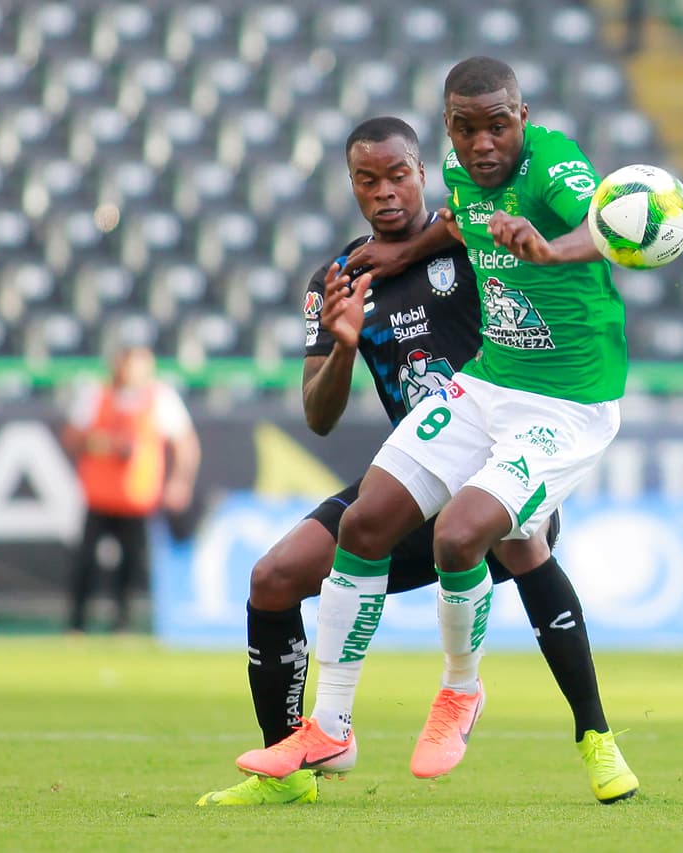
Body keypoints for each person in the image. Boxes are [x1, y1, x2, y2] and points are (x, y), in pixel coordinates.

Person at [198, 116, 634, 806]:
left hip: (505, 449)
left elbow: (517, 234)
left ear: (423, 172)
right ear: (351, 185)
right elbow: (318, 413)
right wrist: (343, 346)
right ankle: (296, 766)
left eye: (398, 175)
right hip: (419, 463)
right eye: (367, 180)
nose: (385, 193)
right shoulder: (337, 279)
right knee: (273, 576)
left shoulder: (468, 238)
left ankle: (596, 737)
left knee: (521, 539)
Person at [62, 346, 200, 633]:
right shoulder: (96, 395)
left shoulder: (160, 398)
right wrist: (101, 443)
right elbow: (73, 438)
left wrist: (180, 481)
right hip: (100, 495)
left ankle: (122, 625)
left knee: (132, 564)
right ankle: (76, 625)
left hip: (137, 498)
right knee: (86, 560)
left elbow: (186, 443)